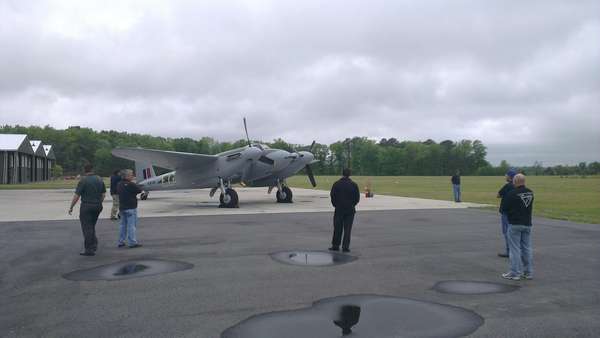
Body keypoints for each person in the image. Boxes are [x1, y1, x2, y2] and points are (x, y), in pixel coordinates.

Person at [501, 173, 534, 281]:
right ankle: (528, 272)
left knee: (515, 249)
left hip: (515, 224)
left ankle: (515, 273)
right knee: (527, 248)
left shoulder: (512, 194)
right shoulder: (530, 193)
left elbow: (503, 209)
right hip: (527, 224)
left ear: (515, 182)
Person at [68, 164, 106, 256]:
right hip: (98, 206)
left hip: (87, 206)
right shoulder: (99, 179)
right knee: (92, 226)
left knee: (87, 228)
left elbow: (77, 195)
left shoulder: (83, 180)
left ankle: (89, 249)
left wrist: (71, 207)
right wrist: (99, 202)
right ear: (93, 169)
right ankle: (94, 244)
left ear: (84, 171)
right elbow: (103, 194)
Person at [329, 168, 360, 253]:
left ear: (342, 174)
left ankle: (335, 245)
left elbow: (332, 196)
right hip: (350, 210)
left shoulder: (336, 184)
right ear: (350, 174)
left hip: (339, 209)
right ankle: (345, 247)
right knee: (347, 229)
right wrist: (352, 205)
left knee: (337, 228)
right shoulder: (354, 185)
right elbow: (357, 198)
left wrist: (336, 205)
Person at [117, 169, 143, 248]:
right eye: (131, 175)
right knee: (131, 226)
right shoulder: (131, 184)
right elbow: (139, 190)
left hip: (122, 207)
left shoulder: (119, 184)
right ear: (127, 176)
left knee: (122, 225)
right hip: (131, 207)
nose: (132, 176)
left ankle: (121, 241)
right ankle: (132, 242)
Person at [497, 169, 517, 258]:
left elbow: (498, 195)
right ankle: (516, 250)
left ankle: (509, 251)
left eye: (506, 175)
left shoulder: (507, 186)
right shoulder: (517, 186)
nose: (505, 176)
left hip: (506, 212)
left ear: (509, 177)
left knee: (506, 232)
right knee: (515, 232)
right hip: (515, 212)